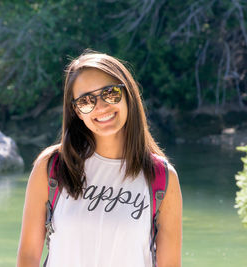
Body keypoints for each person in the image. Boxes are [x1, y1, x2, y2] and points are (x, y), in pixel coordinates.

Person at [17, 51, 182, 267]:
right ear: (76, 111)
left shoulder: (161, 177)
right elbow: (28, 256)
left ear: (128, 94)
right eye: (86, 101)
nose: (101, 107)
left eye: (110, 93)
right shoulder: (52, 167)